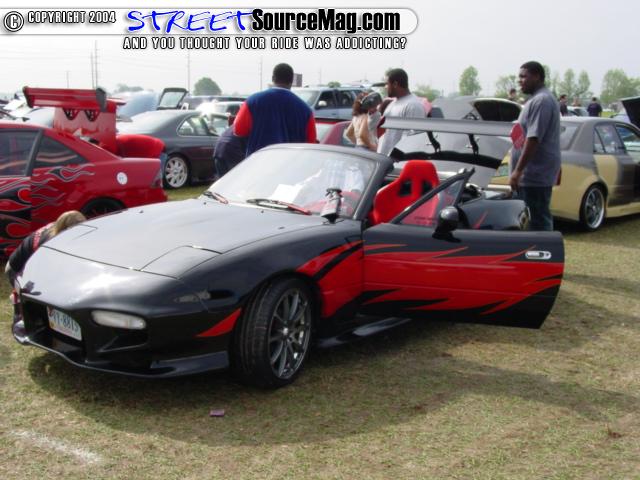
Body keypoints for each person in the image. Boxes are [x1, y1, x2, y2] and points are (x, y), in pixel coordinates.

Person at [5, 210, 86, 338]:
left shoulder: (60, 229)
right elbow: (45, 273)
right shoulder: (50, 243)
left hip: (29, 262)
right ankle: (19, 309)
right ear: (67, 230)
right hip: (16, 269)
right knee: (36, 298)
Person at [509, 61, 561, 231]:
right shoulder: (535, 100)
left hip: (534, 176)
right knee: (528, 221)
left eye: (524, 76)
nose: (520, 81)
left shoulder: (542, 100)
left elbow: (533, 138)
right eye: (519, 77)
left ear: (537, 76)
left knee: (538, 221)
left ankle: (545, 248)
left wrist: (518, 171)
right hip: (529, 176)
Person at [234, 63, 317, 156]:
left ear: (273, 78)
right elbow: (311, 142)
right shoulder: (305, 110)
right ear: (292, 80)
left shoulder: (252, 102)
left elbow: (238, 131)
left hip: (258, 163)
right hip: (291, 163)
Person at [376, 68, 426, 156]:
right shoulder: (393, 103)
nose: (385, 87)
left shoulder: (413, 105)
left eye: (387, 84)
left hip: (397, 161)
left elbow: (414, 139)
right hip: (384, 158)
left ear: (395, 84)